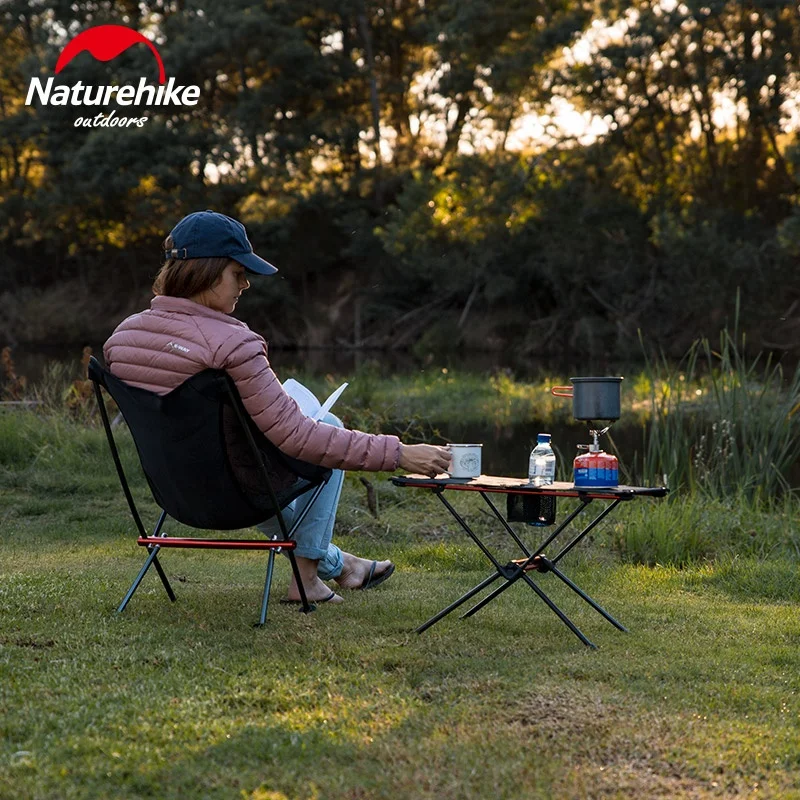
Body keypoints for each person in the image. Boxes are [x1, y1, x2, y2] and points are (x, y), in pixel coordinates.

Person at [103, 210, 450, 605]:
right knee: (326, 427)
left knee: (268, 449)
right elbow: (300, 437)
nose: (246, 284)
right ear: (208, 272)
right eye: (238, 273)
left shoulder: (122, 338)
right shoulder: (234, 344)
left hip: (173, 492)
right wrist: (401, 453)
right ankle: (306, 581)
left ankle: (340, 565)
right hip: (237, 497)